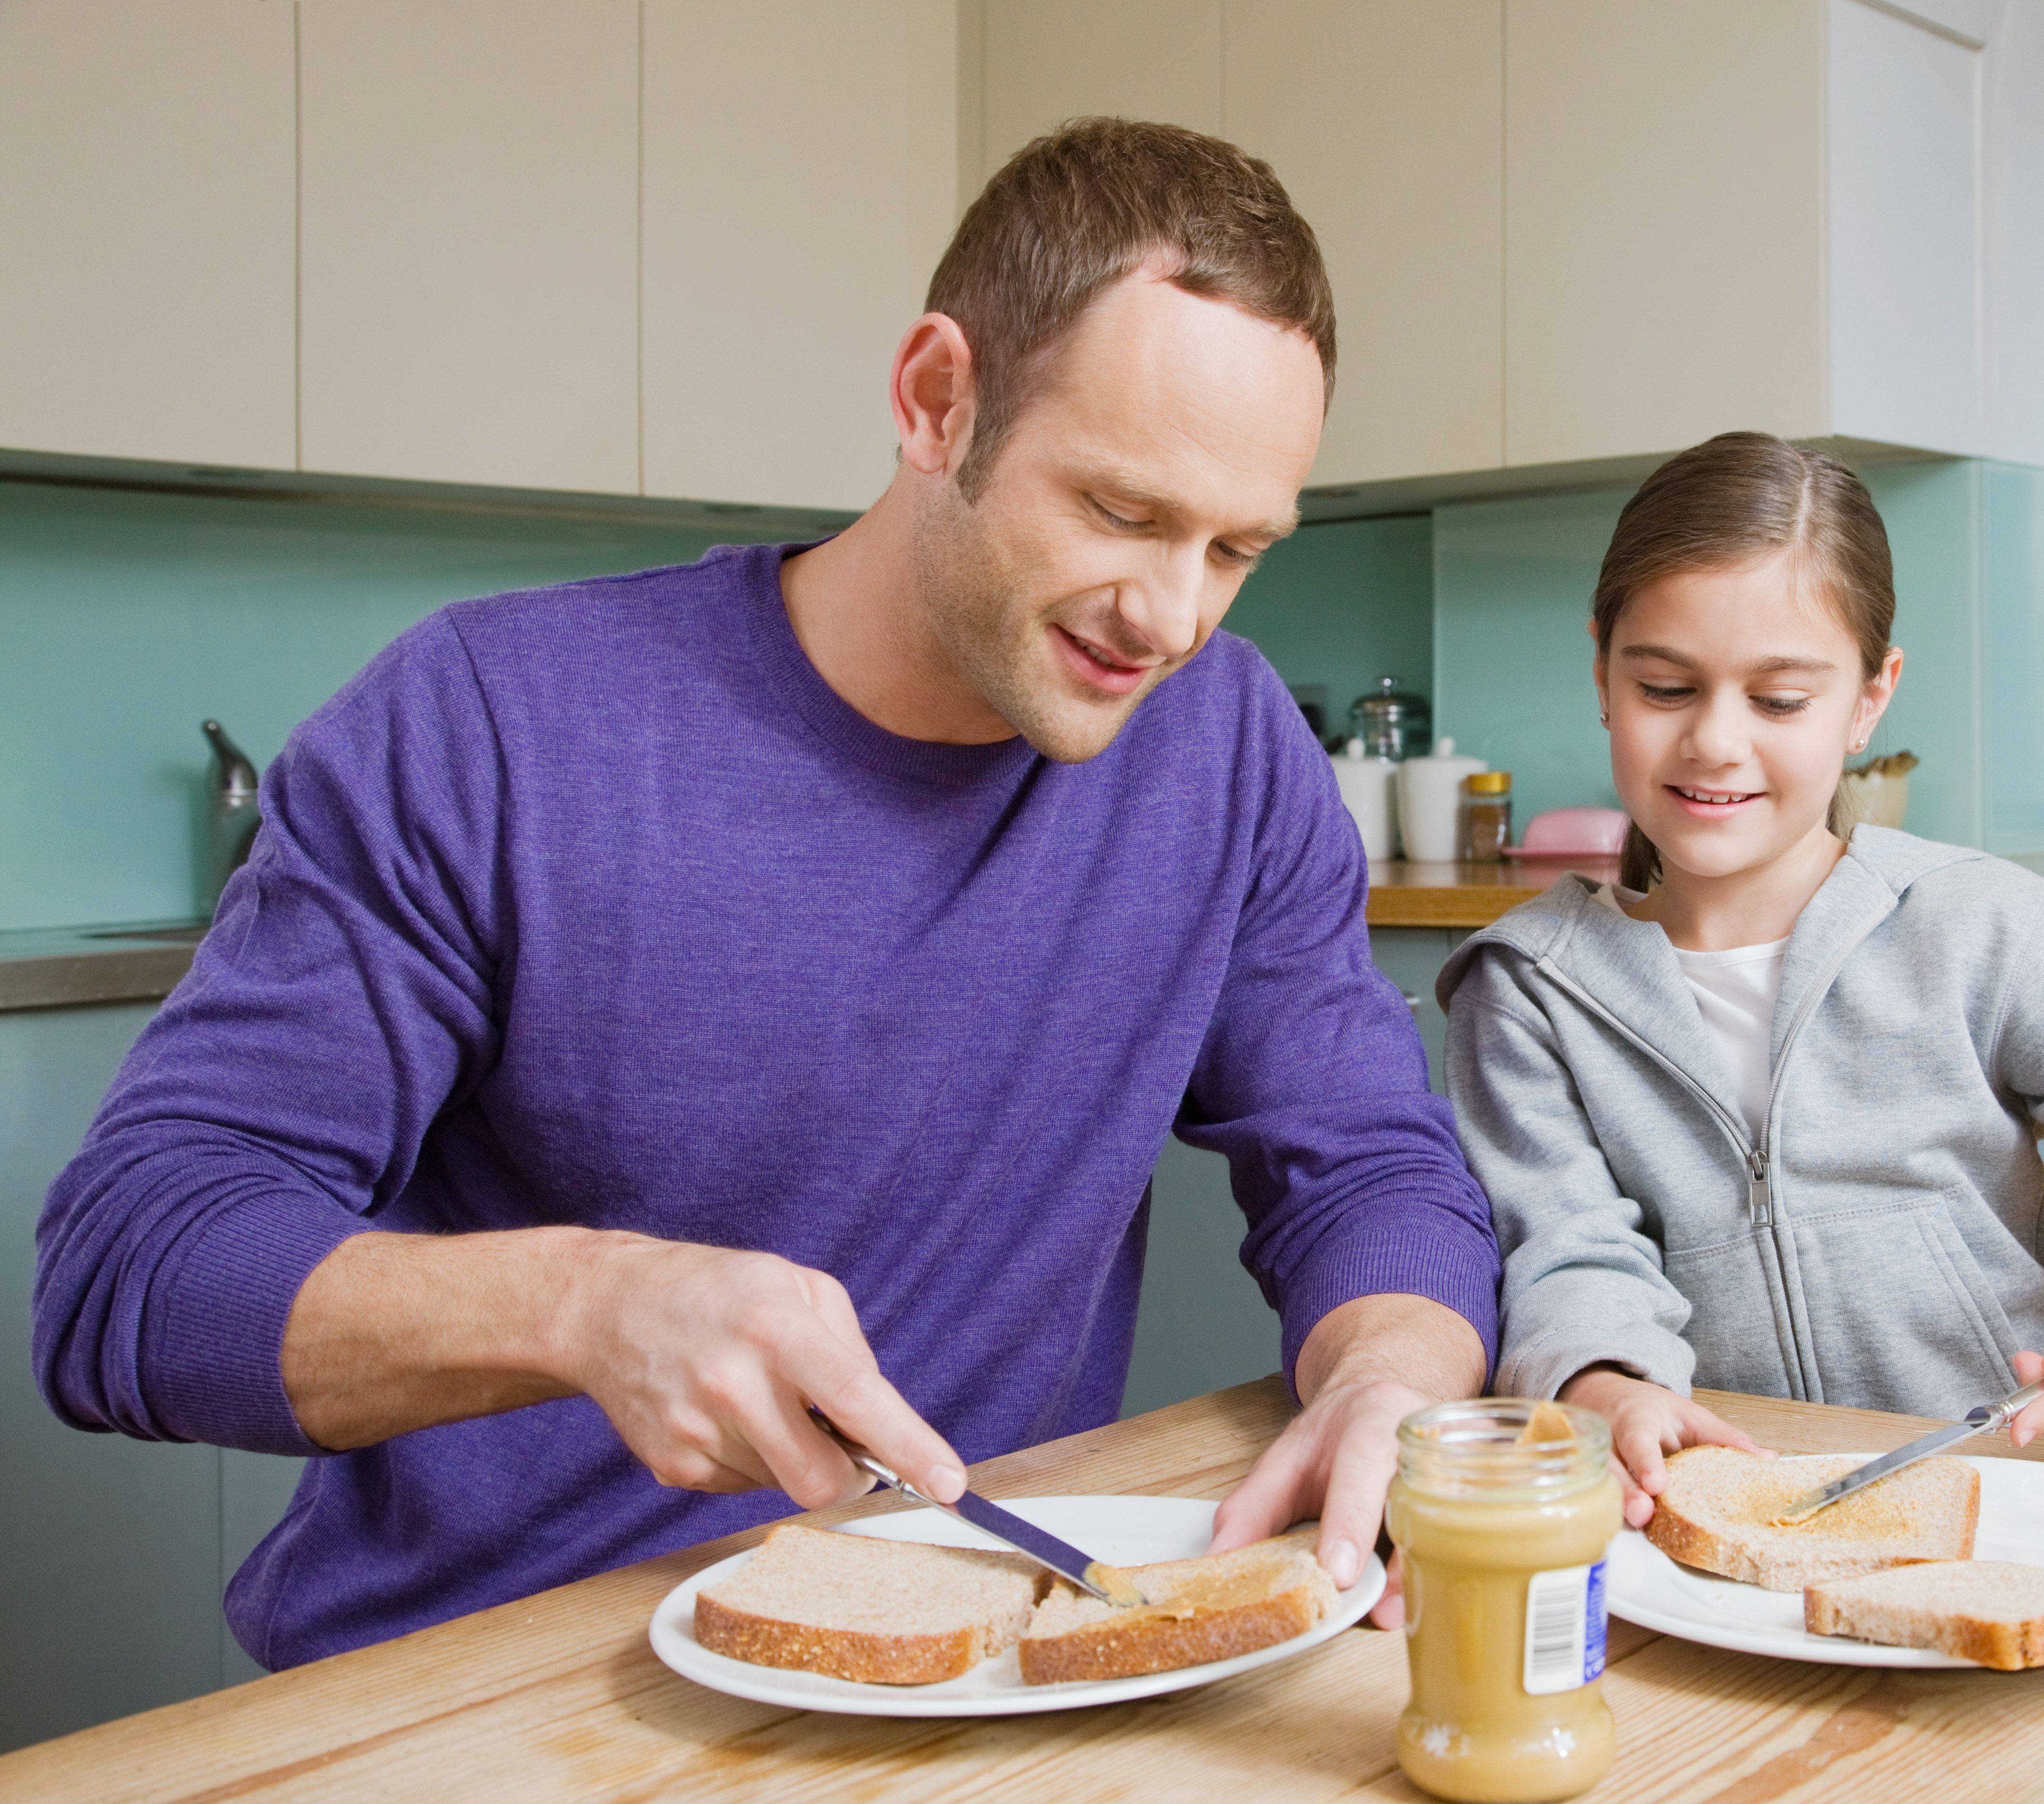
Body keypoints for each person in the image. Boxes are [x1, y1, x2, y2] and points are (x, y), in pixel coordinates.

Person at [34, 119, 1496, 1666]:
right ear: (938, 400)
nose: (1176, 616)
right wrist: (587, 1306)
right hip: (472, 1688)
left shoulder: (1228, 750)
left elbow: (1366, 1170)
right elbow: (133, 1269)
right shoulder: (491, 725)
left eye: (1238, 549)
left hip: (954, 1676)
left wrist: (1387, 1385)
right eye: (1126, 515)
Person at [1436, 432, 2044, 1528]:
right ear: (1604, 670)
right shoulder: (1529, 990)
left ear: (1870, 698)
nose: (1714, 741)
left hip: (2013, 1505)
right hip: (1711, 1528)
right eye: (1665, 686)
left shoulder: (1982, 927)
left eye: (1781, 700)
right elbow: (1565, 1250)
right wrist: (1607, 1385)